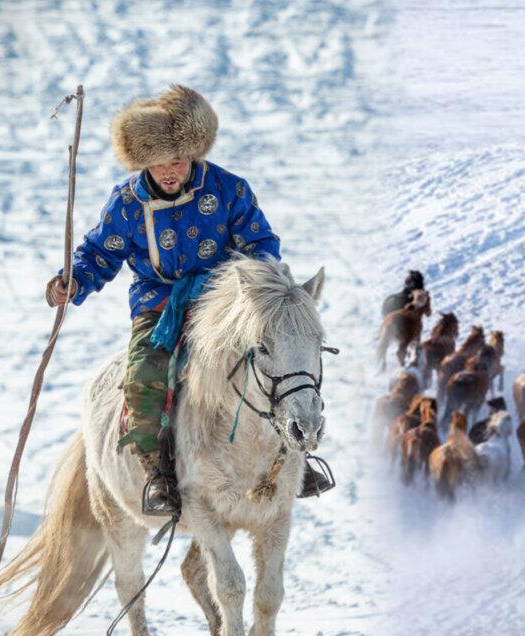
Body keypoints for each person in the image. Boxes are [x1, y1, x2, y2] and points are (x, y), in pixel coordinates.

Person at [46, 84, 332, 517]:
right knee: (144, 381)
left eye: (177, 159)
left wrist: (260, 284)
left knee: (273, 366)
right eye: (158, 161)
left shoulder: (229, 190)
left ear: (194, 155)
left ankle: (292, 458)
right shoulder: (126, 203)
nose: (169, 170)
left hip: (224, 307)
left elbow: (260, 242)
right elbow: (100, 252)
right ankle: (160, 472)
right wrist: (73, 281)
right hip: (158, 307)